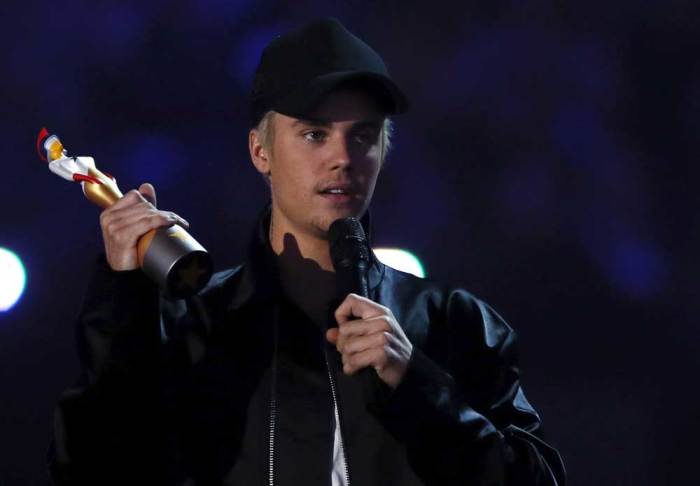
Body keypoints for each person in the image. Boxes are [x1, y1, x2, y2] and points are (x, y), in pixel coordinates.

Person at [49, 18, 566, 486]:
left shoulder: (454, 324)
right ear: (260, 151)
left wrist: (419, 389)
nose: (342, 157)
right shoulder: (193, 325)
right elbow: (92, 469)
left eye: (363, 136)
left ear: (384, 153)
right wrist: (121, 295)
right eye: (314, 134)